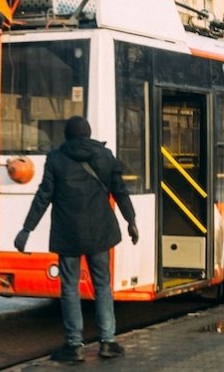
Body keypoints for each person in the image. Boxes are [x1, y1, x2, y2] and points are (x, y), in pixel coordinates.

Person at [14, 116, 139, 362]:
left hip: (68, 232)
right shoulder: (105, 156)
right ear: (89, 134)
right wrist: (131, 220)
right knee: (102, 285)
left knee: (70, 287)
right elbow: (120, 191)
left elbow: (44, 196)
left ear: (67, 136)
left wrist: (26, 229)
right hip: (100, 232)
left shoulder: (56, 158)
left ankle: (73, 346)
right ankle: (108, 341)